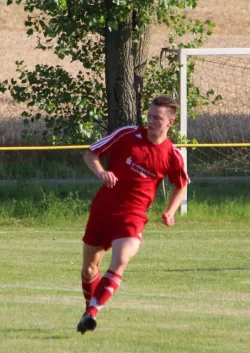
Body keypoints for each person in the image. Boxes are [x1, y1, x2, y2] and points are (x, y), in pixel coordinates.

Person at [77, 96, 190, 334]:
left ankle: (92, 313)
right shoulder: (127, 135)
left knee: (121, 261)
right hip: (104, 208)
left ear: (170, 122)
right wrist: (101, 173)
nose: (151, 121)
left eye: (157, 118)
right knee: (89, 269)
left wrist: (170, 211)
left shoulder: (173, 154)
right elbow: (90, 154)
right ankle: (89, 311)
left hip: (133, 214)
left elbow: (181, 185)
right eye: (149, 116)